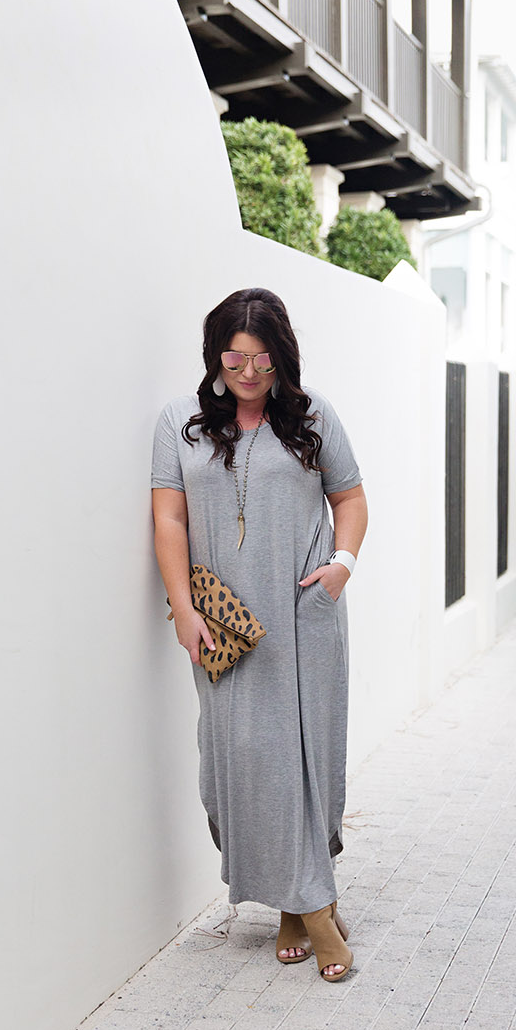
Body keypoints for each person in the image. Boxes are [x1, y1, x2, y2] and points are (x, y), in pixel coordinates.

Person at [151, 288, 368, 981]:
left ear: (283, 360)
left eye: (264, 362)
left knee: (305, 761)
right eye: (237, 359)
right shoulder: (179, 423)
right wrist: (183, 609)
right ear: (216, 353)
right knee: (240, 763)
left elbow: (351, 498)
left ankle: (311, 908)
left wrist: (342, 565)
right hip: (225, 628)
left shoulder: (312, 416)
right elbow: (170, 522)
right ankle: (301, 904)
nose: (249, 375)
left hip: (306, 618)